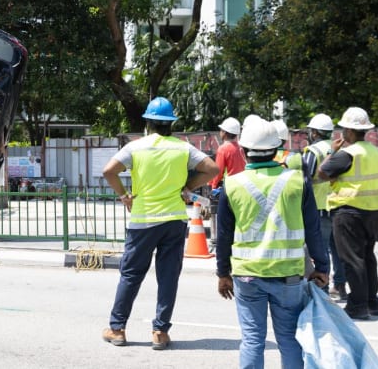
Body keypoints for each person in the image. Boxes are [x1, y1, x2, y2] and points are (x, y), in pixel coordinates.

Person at [102, 96, 218, 350]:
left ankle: (117, 328)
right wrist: (188, 186)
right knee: (168, 277)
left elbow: (109, 171)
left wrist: (124, 195)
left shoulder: (136, 147)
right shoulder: (182, 148)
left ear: (148, 123)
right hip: (174, 219)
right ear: (171, 124)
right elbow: (212, 168)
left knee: (131, 275)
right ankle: (160, 332)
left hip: (143, 220)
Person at [216, 115, 328, 369]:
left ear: (243, 151)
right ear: (277, 150)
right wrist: (322, 267)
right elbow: (314, 230)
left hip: (247, 276)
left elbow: (223, 235)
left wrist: (223, 273)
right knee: (289, 339)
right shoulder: (298, 181)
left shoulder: (232, 185)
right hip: (288, 275)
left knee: (253, 339)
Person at [318, 107, 378, 320]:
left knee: (352, 259)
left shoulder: (347, 154)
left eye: (343, 128)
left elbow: (322, 173)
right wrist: (375, 194)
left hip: (348, 211)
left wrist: (332, 152)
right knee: (367, 256)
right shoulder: (375, 151)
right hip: (372, 211)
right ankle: (372, 302)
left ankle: (357, 306)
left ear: (349, 131)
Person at [302, 113, 347, 300]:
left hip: (319, 205)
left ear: (314, 132)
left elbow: (308, 177)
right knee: (338, 249)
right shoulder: (339, 148)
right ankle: (340, 285)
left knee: (320, 250)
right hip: (336, 203)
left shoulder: (312, 151)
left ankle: (323, 287)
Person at [209, 116, 246, 190]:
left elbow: (218, 171)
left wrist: (214, 186)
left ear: (224, 133)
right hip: (244, 184)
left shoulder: (223, 149)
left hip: (231, 186)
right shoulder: (242, 147)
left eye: (221, 130)